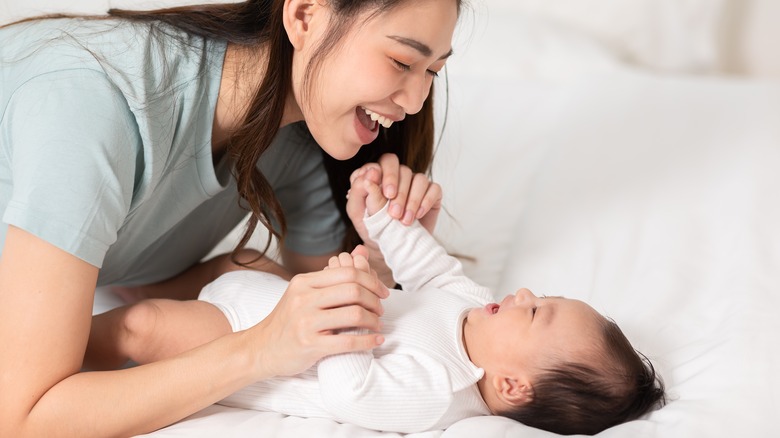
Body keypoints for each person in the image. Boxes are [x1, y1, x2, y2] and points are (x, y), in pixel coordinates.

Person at [0, 0, 459, 435]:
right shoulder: (92, 110)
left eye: (433, 71)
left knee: (244, 269)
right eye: (402, 62)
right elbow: (23, 417)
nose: (417, 101)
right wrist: (258, 350)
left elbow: (306, 309)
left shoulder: (302, 141)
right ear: (304, 16)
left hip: (101, 278)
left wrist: (380, 252)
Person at [89, 168, 667, 435]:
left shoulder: (436, 391)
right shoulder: (471, 305)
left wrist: (351, 316)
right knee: (237, 262)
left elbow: (352, 393)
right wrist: (383, 218)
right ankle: (138, 281)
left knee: (145, 327)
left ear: (513, 386)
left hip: (240, 343)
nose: (523, 295)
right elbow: (426, 266)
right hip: (269, 297)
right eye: (540, 297)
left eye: (536, 313)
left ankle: (56, 356)